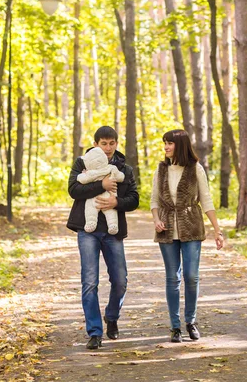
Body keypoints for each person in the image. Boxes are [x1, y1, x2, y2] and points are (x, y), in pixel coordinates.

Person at [67, 126, 139, 350]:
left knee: (120, 280)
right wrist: (102, 185)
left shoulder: (124, 168)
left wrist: (117, 202)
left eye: (112, 143)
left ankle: (112, 316)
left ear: (117, 143)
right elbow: (74, 189)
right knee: (90, 282)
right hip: (87, 230)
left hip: (113, 231)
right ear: (96, 143)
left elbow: (134, 199)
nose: (108, 148)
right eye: (103, 143)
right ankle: (95, 332)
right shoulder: (83, 162)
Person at [151, 129, 225, 343]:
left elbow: (207, 200)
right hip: (166, 229)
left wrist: (217, 230)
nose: (166, 147)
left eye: (170, 143)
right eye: (164, 143)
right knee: (172, 277)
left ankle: (190, 321)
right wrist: (156, 220)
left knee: (191, 276)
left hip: (191, 225)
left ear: (180, 145)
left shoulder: (196, 169)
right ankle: (175, 327)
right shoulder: (161, 169)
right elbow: (154, 200)